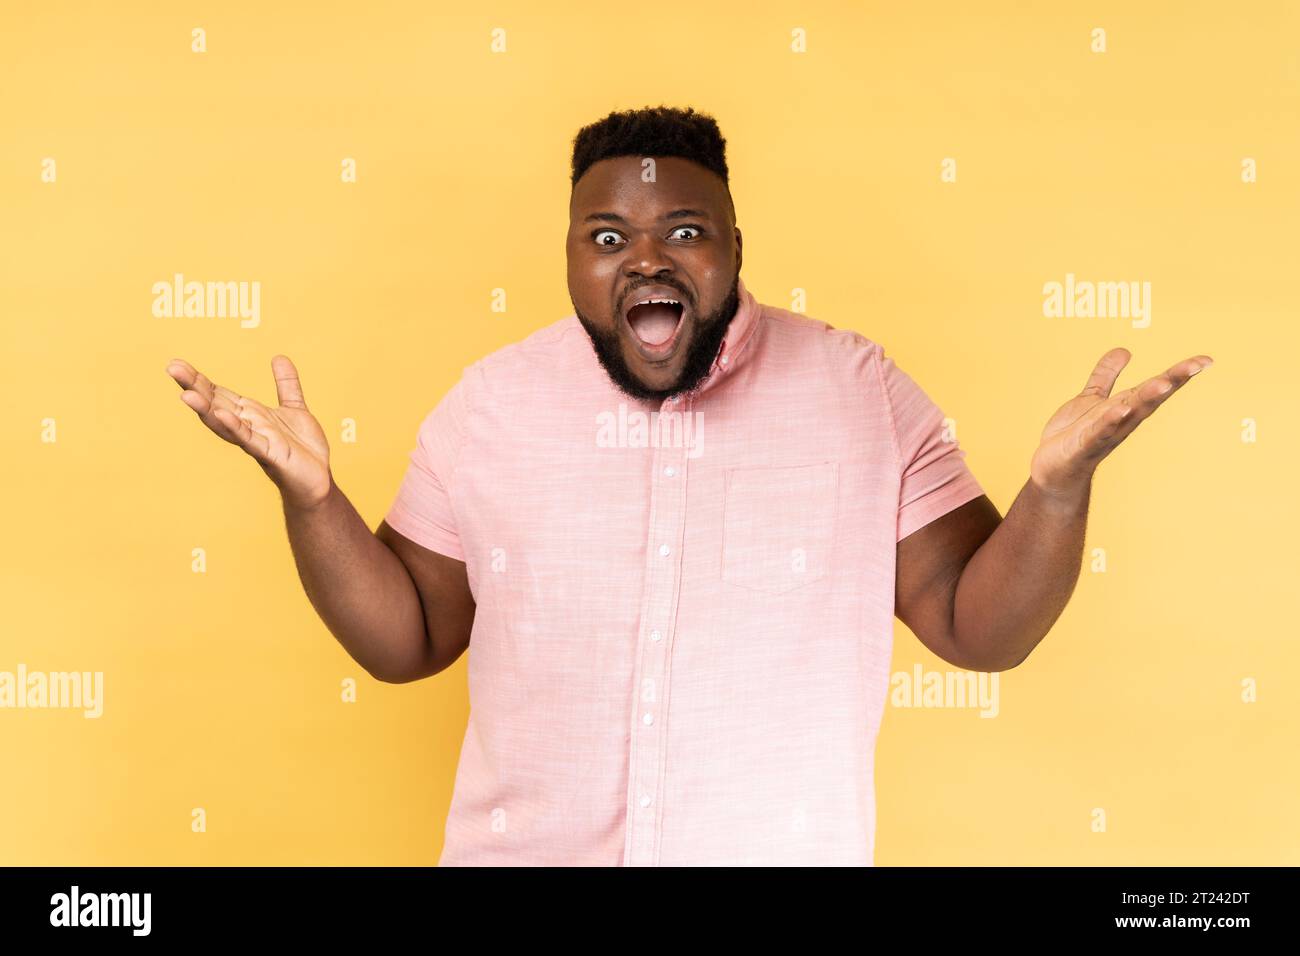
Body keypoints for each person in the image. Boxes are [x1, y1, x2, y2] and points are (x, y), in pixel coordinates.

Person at [164, 105, 1212, 866]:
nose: (643, 260)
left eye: (685, 232)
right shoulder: (489, 405)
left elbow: (978, 627)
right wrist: (313, 502)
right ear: (571, 257)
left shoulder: (859, 391)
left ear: (735, 249)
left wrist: (1058, 490)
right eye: (607, 237)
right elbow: (408, 638)